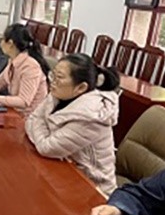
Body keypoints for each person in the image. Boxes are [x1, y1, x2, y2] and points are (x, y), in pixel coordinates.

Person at [25, 53, 119, 194]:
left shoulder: (90, 116)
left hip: (93, 187)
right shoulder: (60, 93)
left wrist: (40, 133)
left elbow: (46, 147)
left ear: (81, 87)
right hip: (62, 169)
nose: (52, 82)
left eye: (59, 77)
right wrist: (42, 135)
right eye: (53, 75)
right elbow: (31, 119)